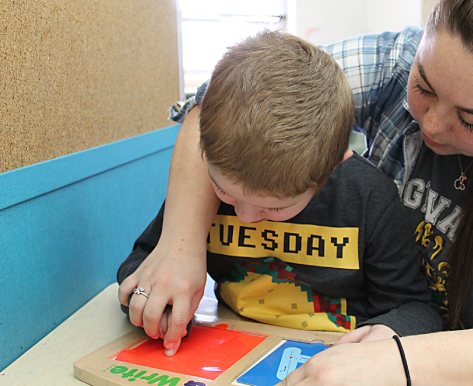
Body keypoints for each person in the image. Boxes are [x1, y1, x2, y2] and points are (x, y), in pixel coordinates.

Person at [119, 0, 473, 383]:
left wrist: (398, 362)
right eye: (425, 87)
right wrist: (181, 248)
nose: (431, 126)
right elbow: (224, 97)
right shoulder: (394, 59)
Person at [118, 30, 442, 349]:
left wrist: (387, 336)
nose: (244, 216)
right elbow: (145, 259)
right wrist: (153, 301)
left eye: (273, 208)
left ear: (332, 167)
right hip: (229, 349)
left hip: (335, 357)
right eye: (225, 192)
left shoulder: (370, 198)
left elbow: (415, 309)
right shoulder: (208, 187)